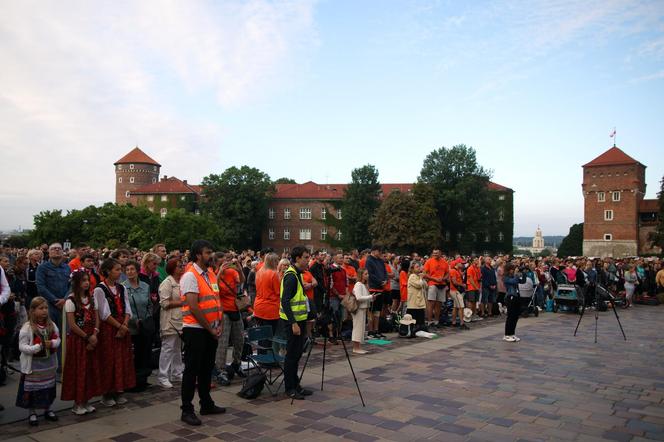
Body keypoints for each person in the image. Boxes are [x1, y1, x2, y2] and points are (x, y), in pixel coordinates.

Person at [179, 240, 225, 426]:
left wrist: (218, 324)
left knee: (206, 368)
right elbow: (193, 306)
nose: (211, 255)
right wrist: (210, 328)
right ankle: (186, 409)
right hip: (195, 329)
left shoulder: (211, 274)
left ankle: (206, 403)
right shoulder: (190, 276)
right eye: (207, 252)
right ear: (198, 255)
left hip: (211, 329)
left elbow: (215, 299)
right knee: (192, 370)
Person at [94, 258, 136, 407]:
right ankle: (107, 393)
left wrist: (125, 323)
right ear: (107, 271)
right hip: (109, 328)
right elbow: (104, 313)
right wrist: (119, 326)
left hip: (121, 325)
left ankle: (119, 390)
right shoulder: (100, 289)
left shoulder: (121, 288)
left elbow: (127, 307)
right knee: (109, 360)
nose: (120, 272)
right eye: (117, 269)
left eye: (120, 269)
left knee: (122, 359)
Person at [61, 270, 101, 415]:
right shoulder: (71, 301)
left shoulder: (91, 299)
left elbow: (97, 318)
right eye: (83, 280)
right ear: (76, 282)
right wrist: (87, 337)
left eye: (87, 280)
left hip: (92, 337)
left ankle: (86, 400)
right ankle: (77, 403)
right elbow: (72, 325)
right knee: (79, 370)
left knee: (90, 370)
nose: (86, 283)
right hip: (79, 340)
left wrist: (95, 333)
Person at [16, 297, 61, 426]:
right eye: (41, 308)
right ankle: (32, 412)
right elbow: (22, 346)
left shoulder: (52, 325)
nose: (44, 311)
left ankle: (48, 409)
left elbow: (58, 340)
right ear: (33, 310)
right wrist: (36, 348)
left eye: (46, 308)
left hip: (48, 365)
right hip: (34, 367)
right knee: (33, 390)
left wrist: (52, 343)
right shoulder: (27, 327)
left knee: (48, 388)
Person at [280, 246, 313, 400]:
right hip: (292, 322)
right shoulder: (291, 276)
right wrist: (293, 323)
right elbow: (285, 301)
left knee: (298, 353)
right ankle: (290, 387)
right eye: (306, 257)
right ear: (298, 258)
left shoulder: (298, 274)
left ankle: (296, 384)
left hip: (300, 321)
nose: (308, 260)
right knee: (292, 355)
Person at [215, 252, 246, 386]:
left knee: (240, 338)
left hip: (235, 309)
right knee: (223, 342)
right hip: (223, 311)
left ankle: (236, 363)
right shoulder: (216, 273)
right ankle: (220, 370)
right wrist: (220, 271)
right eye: (224, 260)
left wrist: (239, 268)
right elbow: (214, 289)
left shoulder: (233, 273)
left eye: (228, 260)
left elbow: (242, 281)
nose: (227, 263)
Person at [124, 260, 154, 392]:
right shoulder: (123, 287)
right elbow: (124, 308)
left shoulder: (145, 286)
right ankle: (131, 381)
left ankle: (143, 379)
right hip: (131, 327)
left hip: (144, 325)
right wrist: (134, 320)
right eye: (127, 270)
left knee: (144, 352)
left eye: (132, 269)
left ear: (137, 271)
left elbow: (149, 305)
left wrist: (146, 318)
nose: (130, 272)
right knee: (133, 355)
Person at [35, 243, 70, 347]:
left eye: (59, 249)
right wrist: (55, 300)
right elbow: (41, 287)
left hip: (64, 305)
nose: (57, 250)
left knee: (64, 334)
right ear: (49, 253)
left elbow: (72, 285)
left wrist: (65, 299)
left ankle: (63, 361)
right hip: (48, 305)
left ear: (63, 252)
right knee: (50, 334)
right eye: (53, 249)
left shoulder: (67, 268)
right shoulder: (42, 268)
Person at [157, 258, 184, 389]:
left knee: (177, 348)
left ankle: (177, 373)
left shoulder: (181, 282)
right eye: (179, 266)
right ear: (173, 269)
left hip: (180, 320)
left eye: (182, 265)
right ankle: (163, 376)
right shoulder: (167, 283)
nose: (182, 268)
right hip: (170, 320)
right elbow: (164, 303)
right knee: (168, 348)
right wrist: (183, 302)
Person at [254, 253, 281, 352]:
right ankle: (267, 360)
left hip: (258, 307)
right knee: (269, 337)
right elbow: (278, 292)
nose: (278, 263)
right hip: (270, 308)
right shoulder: (273, 274)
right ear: (273, 262)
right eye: (277, 261)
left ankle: (261, 357)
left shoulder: (259, 272)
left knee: (262, 336)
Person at [365, 246, 387, 338]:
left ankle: (376, 330)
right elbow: (370, 274)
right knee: (371, 311)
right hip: (373, 288)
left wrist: (385, 280)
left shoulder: (381, 261)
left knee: (378, 311)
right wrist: (380, 281)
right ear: (374, 251)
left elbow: (385, 272)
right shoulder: (369, 260)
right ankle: (370, 331)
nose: (380, 253)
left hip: (381, 288)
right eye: (379, 251)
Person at [422, 249, 448, 327]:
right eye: (434, 253)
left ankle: (436, 321)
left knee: (439, 304)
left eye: (436, 253)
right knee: (431, 303)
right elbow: (425, 274)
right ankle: (429, 321)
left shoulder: (444, 262)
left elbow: (447, 273)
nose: (435, 254)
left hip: (442, 284)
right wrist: (434, 279)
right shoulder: (429, 261)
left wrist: (443, 278)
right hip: (432, 283)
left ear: (440, 253)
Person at [351, 268, 374, 354]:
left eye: (367, 274)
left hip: (363, 308)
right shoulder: (358, 284)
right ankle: (355, 348)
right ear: (361, 275)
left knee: (361, 329)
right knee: (357, 328)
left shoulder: (364, 285)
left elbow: (365, 297)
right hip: (358, 309)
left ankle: (359, 347)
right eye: (365, 274)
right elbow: (359, 297)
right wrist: (370, 297)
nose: (367, 275)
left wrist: (371, 298)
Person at [503, 263, 526, 342]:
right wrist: (516, 274)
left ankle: (512, 333)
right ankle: (507, 334)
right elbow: (513, 282)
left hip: (516, 296)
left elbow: (522, 281)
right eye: (512, 269)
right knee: (510, 316)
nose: (513, 270)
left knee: (515, 316)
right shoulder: (505, 277)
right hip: (510, 297)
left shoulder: (514, 276)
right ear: (509, 270)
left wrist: (524, 273)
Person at [449, 260, 469, 330]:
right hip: (455, 291)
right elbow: (454, 282)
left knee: (456, 307)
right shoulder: (453, 271)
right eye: (462, 263)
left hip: (455, 290)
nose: (463, 264)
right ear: (457, 263)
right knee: (461, 307)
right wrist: (462, 285)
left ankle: (453, 322)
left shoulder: (456, 270)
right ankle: (462, 323)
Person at [406, 262, 427, 326]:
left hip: (419, 301)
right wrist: (421, 278)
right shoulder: (412, 276)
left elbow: (426, 286)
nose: (419, 268)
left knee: (420, 318)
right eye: (417, 267)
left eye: (419, 267)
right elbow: (419, 285)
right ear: (412, 269)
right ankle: (412, 330)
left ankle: (420, 328)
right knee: (413, 319)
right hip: (413, 303)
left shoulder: (419, 276)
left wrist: (422, 278)